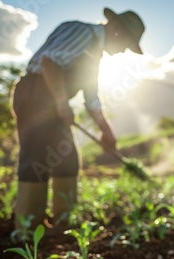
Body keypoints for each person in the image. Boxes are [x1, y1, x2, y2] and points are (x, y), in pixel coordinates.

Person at [11, 8, 146, 234]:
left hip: (55, 101)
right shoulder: (81, 32)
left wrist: (106, 131)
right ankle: (27, 228)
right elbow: (49, 63)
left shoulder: (96, 57)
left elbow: (91, 98)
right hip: (35, 96)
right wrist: (62, 104)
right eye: (126, 44)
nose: (123, 51)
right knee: (36, 158)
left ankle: (64, 222)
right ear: (116, 30)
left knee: (66, 158)